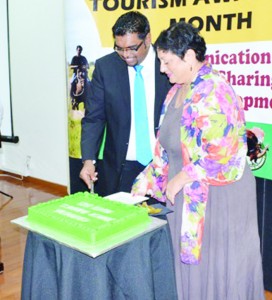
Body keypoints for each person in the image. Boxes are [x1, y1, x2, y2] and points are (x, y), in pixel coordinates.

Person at [132, 21, 265, 299]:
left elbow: (225, 152)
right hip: (187, 195)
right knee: (191, 275)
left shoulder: (215, 89)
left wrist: (182, 177)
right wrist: (142, 184)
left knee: (216, 270)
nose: (161, 69)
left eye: (167, 62)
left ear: (190, 57)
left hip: (220, 199)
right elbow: (167, 149)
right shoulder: (175, 91)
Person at [80, 11, 171, 197]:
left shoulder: (169, 63)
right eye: (119, 48)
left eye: (132, 48)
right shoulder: (106, 68)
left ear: (147, 38)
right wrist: (88, 160)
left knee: (162, 223)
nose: (125, 54)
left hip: (163, 166)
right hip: (122, 167)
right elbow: (94, 117)